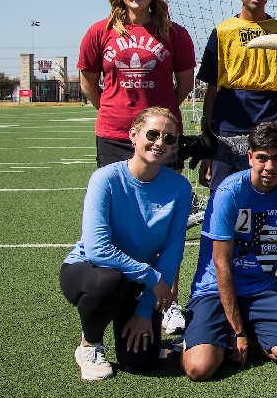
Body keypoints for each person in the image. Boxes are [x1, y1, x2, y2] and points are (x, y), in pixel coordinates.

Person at [182, 122, 277, 381]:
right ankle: (214, 337)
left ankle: (251, 333)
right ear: (250, 157)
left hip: (260, 290)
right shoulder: (229, 192)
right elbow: (221, 266)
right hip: (214, 291)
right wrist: (237, 331)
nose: (269, 167)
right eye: (262, 158)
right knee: (201, 368)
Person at [60, 107, 192, 380]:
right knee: (109, 283)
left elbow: (172, 251)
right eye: (153, 134)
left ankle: (131, 319)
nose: (160, 143)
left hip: (138, 280)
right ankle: (89, 344)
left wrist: (145, 310)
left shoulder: (179, 188)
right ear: (133, 135)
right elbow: (98, 249)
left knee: (140, 362)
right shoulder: (106, 179)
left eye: (169, 139)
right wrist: (151, 277)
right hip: (90, 271)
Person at [78, 0, 196, 167]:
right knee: (118, 197)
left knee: (164, 196)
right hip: (114, 133)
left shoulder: (175, 34)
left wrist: (161, 114)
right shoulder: (98, 32)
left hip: (162, 133)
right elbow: (87, 83)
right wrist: (112, 110)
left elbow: (185, 84)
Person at [197, 0, 277, 192]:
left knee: (270, 191)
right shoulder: (222, 32)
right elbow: (211, 89)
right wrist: (207, 145)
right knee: (224, 192)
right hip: (229, 119)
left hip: (271, 117)